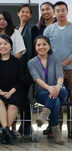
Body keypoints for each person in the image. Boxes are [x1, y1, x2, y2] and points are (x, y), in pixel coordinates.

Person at [28, 36, 66, 145]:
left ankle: (44, 114)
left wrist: (57, 86)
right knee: (56, 100)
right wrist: (49, 88)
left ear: (49, 46)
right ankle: (56, 132)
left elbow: (60, 76)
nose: (41, 47)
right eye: (38, 45)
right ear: (35, 47)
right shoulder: (31, 62)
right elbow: (37, 79)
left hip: (60, 89)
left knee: (60, 93)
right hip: (42, 93)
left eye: (44, 44)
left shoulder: (56, 59)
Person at [0, 34, 23, 144]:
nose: (3, 46)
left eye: (5, 44)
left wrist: (11, 92)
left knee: (13, 105)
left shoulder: (17, 62)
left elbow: (21, 80)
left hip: (14, 91)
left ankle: (5, 132)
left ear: (11, 46)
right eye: (0, 44)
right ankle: (7, 131)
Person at [43, 1, 72, 138]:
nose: (60, 13)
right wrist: (57, 66)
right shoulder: (48, 30)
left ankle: (71, 130)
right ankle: (57, 130)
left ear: (67, 11)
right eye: (58, 11)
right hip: (54, 70)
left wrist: (65, 63)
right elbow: (45, 50)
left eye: (63, 10)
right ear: (54, 13)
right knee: (57, 98)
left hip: (71, 68)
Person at [17, 4, 39, 136]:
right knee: (19, 97)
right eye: (22, 12)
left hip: (28, 68)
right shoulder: (14, 29)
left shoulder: (33, 29)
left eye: (27, 12)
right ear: (18, 14)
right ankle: (21, 125)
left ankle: (26, 125)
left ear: (30, 15)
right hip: (16, 70)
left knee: (26, 97)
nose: (24, 14)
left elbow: (36, 49)